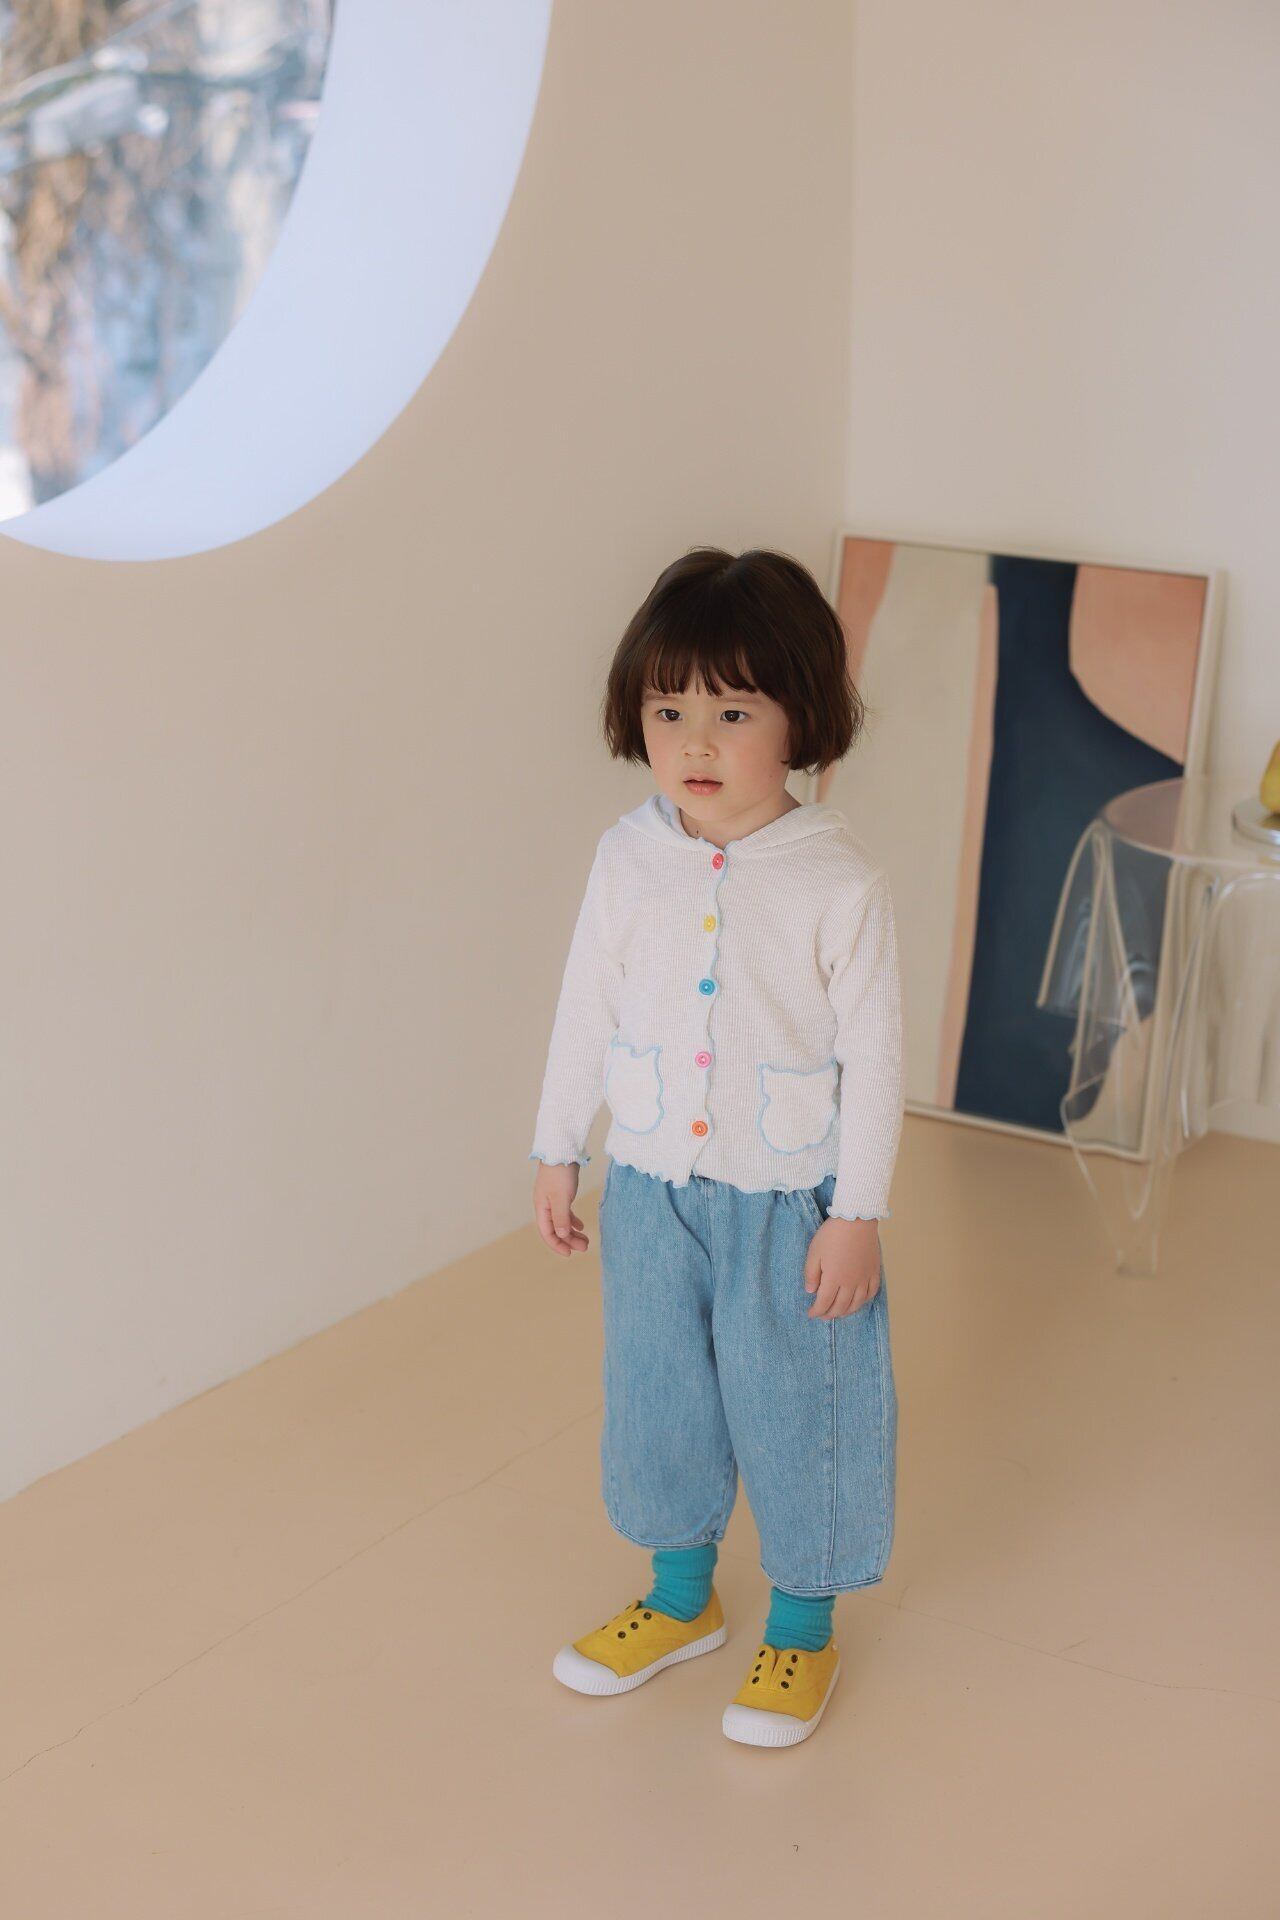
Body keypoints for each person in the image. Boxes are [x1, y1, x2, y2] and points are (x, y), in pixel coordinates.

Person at [529, 546, 904, 1749]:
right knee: (657, 1400)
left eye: (732, 712)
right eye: (667, 710)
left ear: (799, 715)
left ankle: (800, 1627)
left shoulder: (835, 879)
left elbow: (875, 1061)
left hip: (786, 1201)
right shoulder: (625, 855)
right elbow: (585, 1004)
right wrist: (558, 1146)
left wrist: (857, 1213)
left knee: (800, 1408)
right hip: (649, 1190)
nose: (694, 741)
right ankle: (679, 1599)